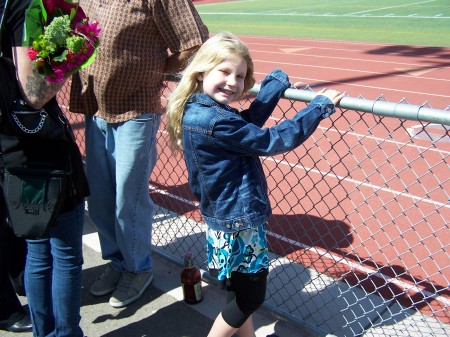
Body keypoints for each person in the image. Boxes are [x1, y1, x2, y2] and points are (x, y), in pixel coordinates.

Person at [166, 32, 345, 337]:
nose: (232, 82)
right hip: (239, 223)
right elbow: (271, 140)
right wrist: (318, 107)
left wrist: (275, 84)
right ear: (201, 71)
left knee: (239, 292)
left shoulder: (203, 111)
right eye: (224, 71)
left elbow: (246, 124)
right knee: (251, 297)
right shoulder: (214, 120)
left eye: (240, 75)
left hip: (225, 217)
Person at [69, 0, 209, 308]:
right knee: (101, 198)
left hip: (136, 108)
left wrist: (155, 69)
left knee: (127, 200)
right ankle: (117, 262)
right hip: (95, 106)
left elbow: (195, 43)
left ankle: (137, 268)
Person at [1, 0, 90, 336]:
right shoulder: (24, 8)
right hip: (40, 149)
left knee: (38, 249)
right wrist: (77, 53)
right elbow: (35, 93)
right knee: (63, 255)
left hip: (13, 148)